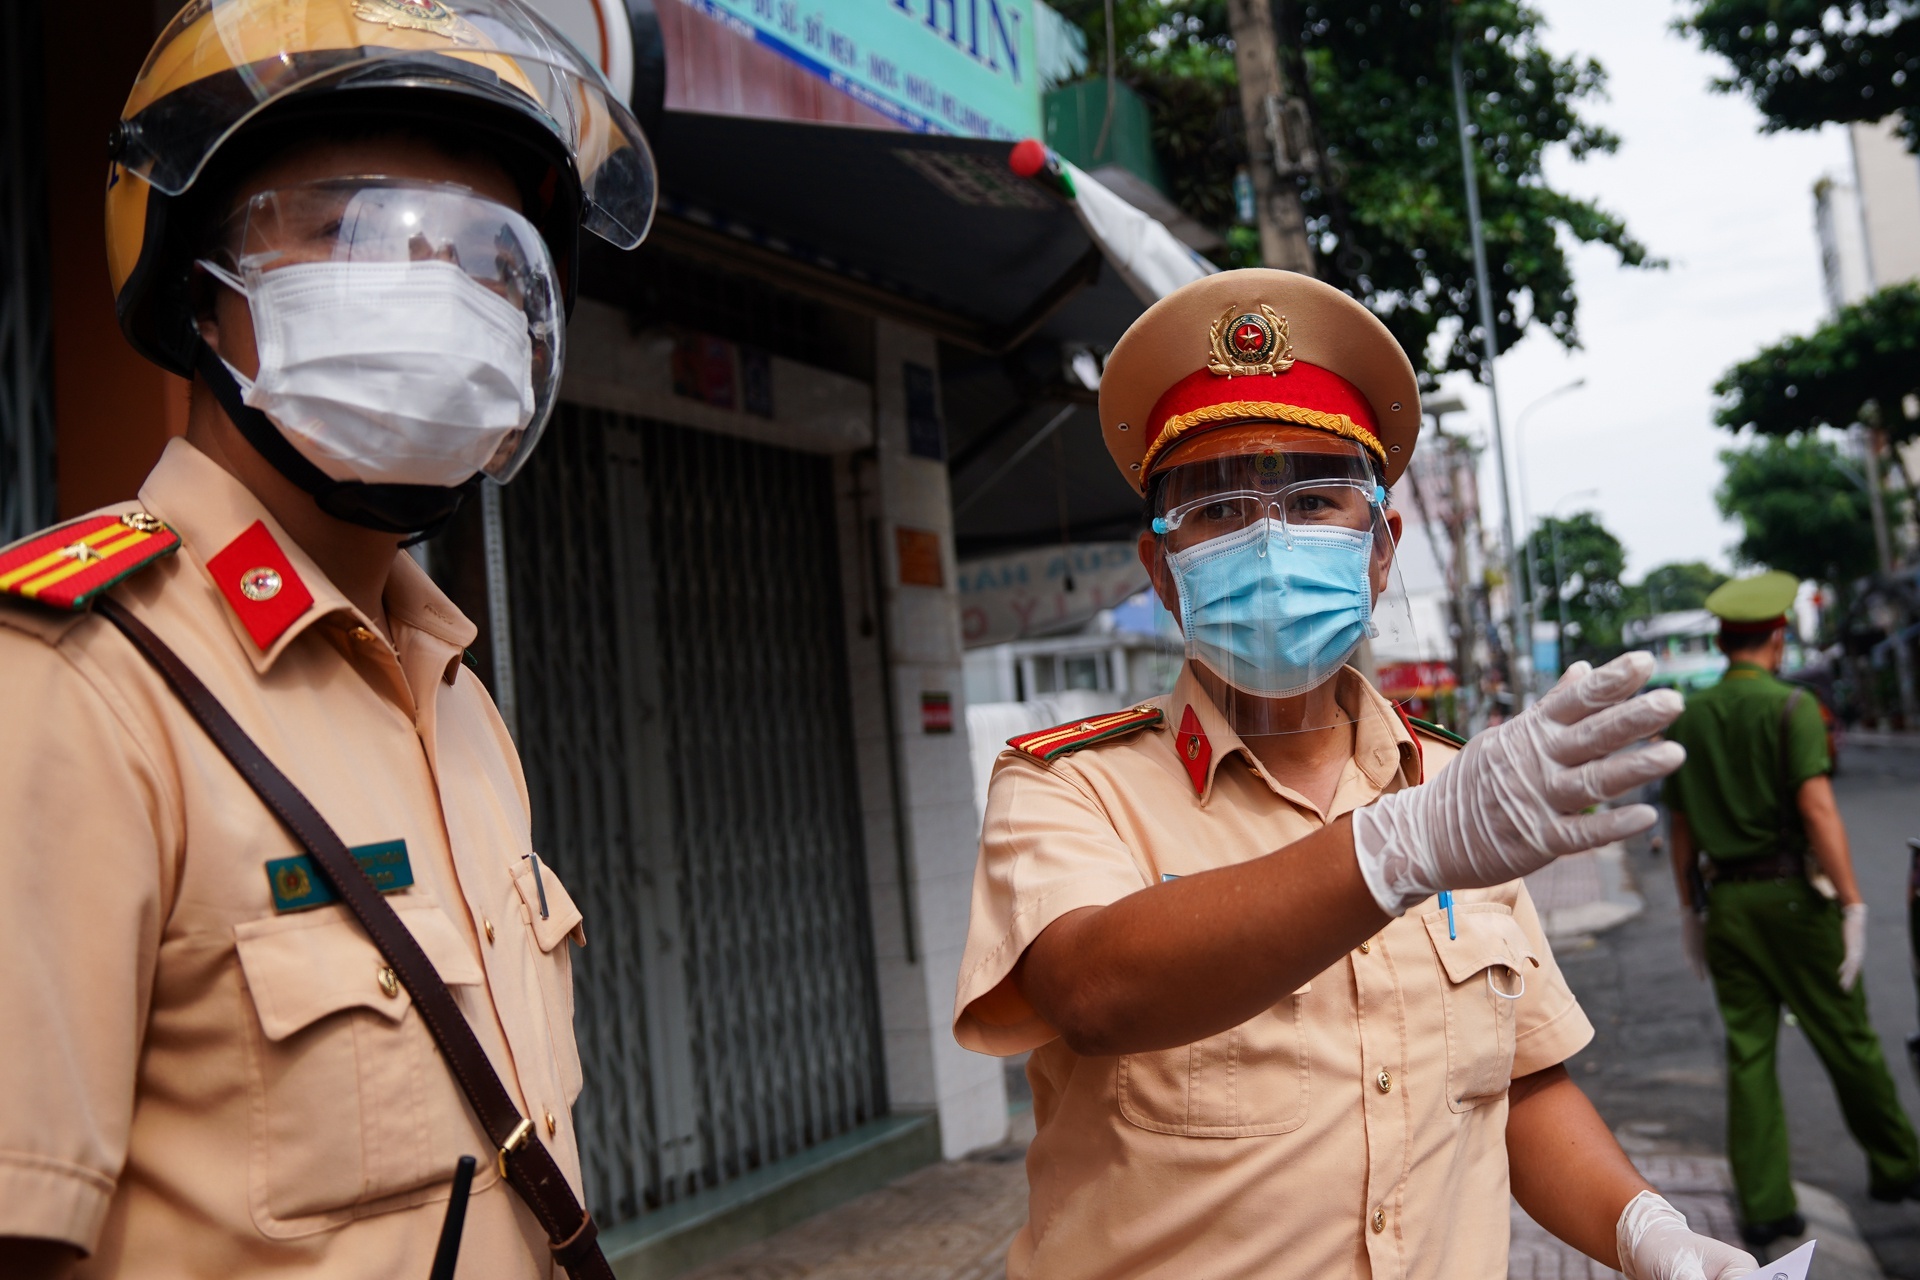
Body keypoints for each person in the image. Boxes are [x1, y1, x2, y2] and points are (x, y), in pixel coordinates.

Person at [0, 1, 655, 1275]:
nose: (441, 289)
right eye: (358, 225)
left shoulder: (453, 687)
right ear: (198, 282)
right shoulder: (74, 682)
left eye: (490, 254)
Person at [952, 268, 1756, 1280]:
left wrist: (1648, 1230)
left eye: (1316, 498)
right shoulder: (1069, 787)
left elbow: (1519, 1086)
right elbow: (1093, 987)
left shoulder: (1460, 787)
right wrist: (1397, 846)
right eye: (1219, 509)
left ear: (1382, 548)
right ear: (1160, 568)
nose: (1272, 539)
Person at [1666, 570, 1920, 1247]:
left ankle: (1766, 1205)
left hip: (1726, 907)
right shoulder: (1791, 708)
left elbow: (1681, 826)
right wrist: (1856, 903)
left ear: (1723, 641)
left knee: (1749, 1052)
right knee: (1847, 1036)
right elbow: (1816, 809)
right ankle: (1898, 1165)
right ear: (1777, 639)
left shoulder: (1689, 715)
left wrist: (1691, 910)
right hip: (1792, 900)